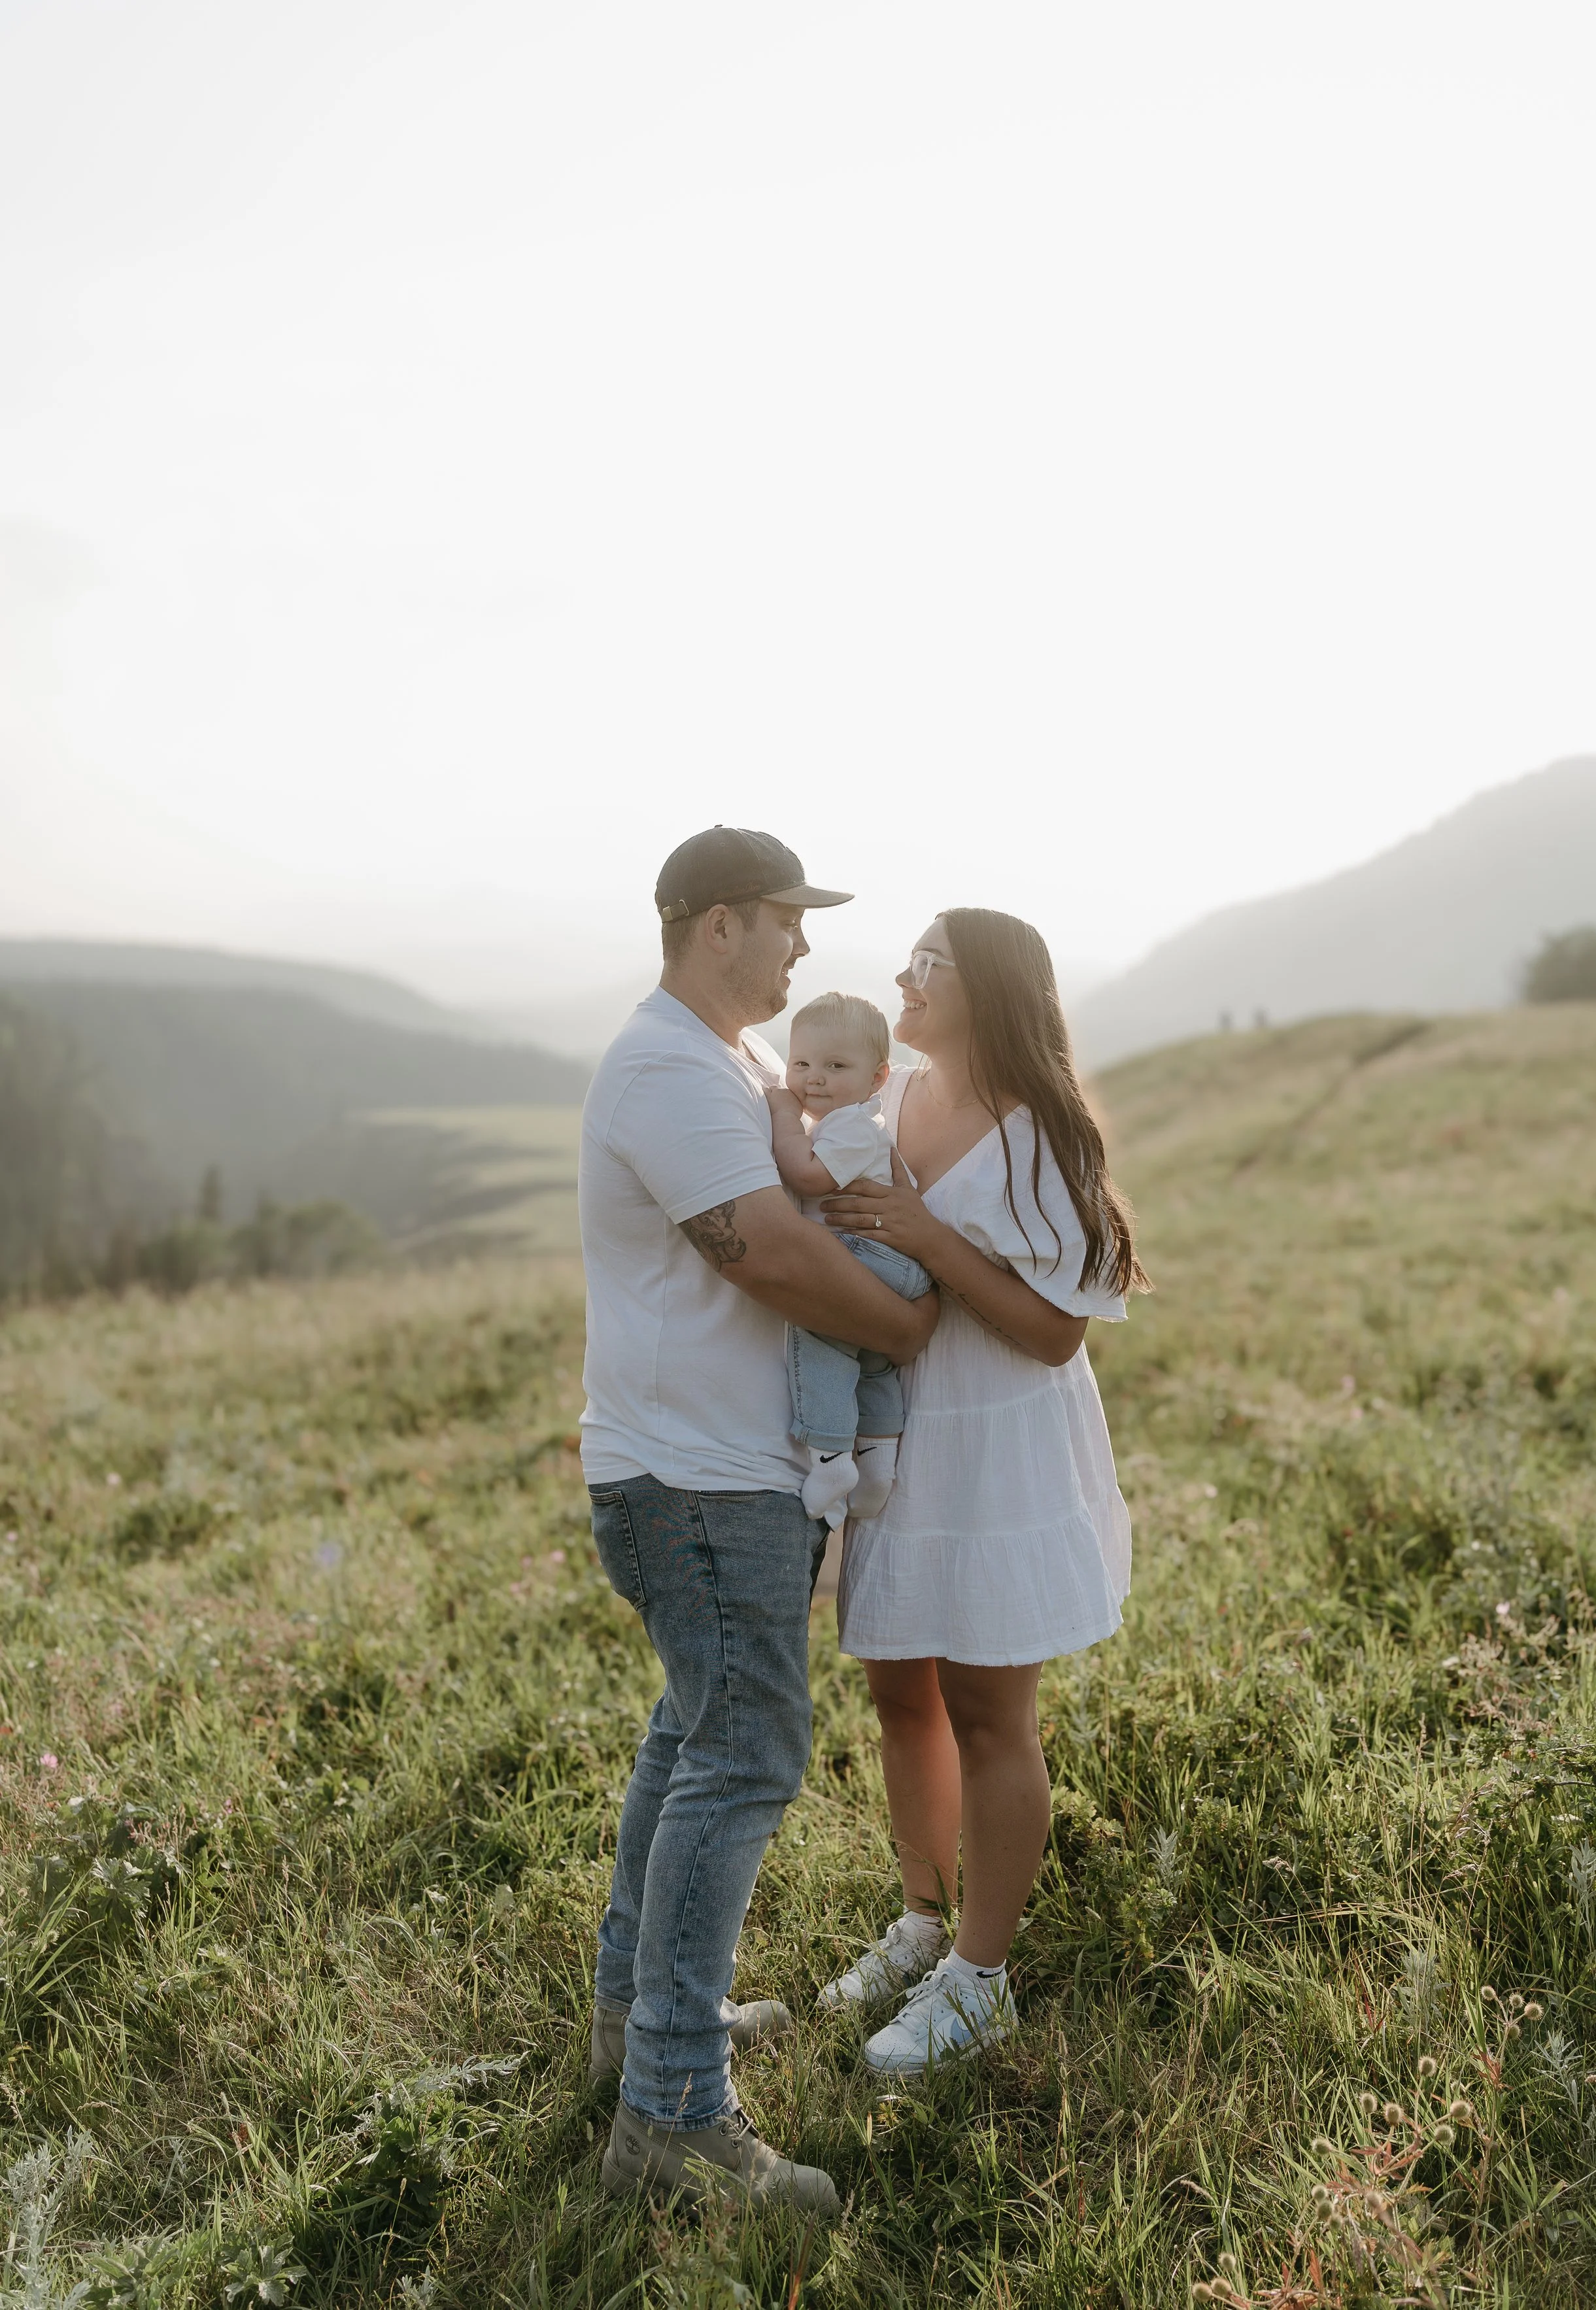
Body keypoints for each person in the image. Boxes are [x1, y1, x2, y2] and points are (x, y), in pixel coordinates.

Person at [579, 827, 940, 2211]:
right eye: (786, 922)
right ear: (719, 922)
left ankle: (637, 2027)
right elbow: (779, 1254)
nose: (802, 950)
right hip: (696, 1483)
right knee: (741, 1751)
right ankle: (670, 2109)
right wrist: (910, 1319)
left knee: (693, 1732)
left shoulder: (721, 1063)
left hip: (709, 1473)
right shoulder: (670, 1068)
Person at [815, 907, 1147, 2075]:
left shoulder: (1043, 1135)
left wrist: (927, 1234)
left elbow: (1056, 1334)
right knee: (900, 1691)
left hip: (997, 1437)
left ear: (991, 988)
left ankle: (981, 1975)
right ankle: (919, 1918)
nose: (902, 977)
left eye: (930, 965)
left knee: (990, 1711)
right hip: (899, 1434)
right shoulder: (887, 1096)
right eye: (906, 959)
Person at [766, 991, 935, 1528]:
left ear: (878, 1078)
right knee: (870, 1357)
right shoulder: (849, 1120)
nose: (814, 1079)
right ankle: (879, 1457)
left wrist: (783, 1116)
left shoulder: (851, 1125)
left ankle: (831, 1454)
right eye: (801, 1064)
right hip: (889, 1263)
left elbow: (809, 1176)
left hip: (872, 1255)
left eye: (836, 1066)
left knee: (819, 1327)